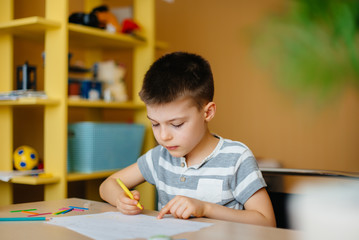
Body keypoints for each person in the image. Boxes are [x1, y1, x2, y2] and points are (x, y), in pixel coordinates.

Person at [99, 52, 276, 227]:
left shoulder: (236, 158)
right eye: (155, 124)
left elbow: (267, 222)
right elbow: (108, 184)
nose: (163, 136)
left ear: (207, 112)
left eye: (176, 124)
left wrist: (206, 208)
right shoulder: (160, 157)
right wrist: (120, 199)